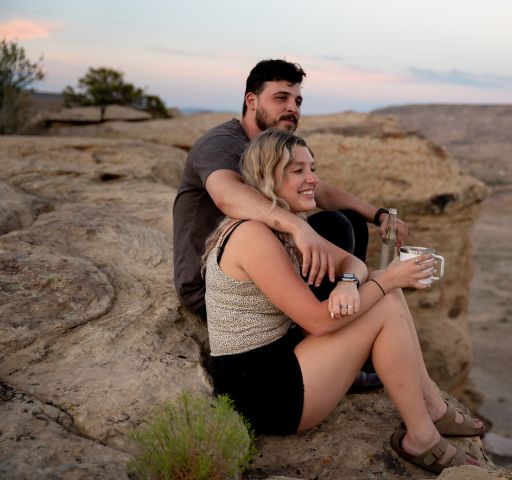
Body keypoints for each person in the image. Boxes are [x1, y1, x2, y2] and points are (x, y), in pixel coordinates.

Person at [203, 129, 489, 474]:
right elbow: (318, 322)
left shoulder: (290, 228)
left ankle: (430, 406)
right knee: (385, 295)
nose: (313, 179)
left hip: (280, 356)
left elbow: (352, 264)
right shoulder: (253, 235)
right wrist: (386, 279)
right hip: (261, 391)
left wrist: (350, 283)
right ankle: (422, 437)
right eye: (298, 171)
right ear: (266, 177)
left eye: (313, 168)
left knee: (386, 292)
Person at [172, 58, 408, 320]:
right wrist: (298, 227)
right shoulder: (222, 144)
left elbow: (319, 191)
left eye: (297, 101)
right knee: (333, 227)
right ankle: (328, 322)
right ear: (251, 101)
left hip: (258, 265)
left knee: (349, 221)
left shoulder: (271, 148)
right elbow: (227, 196)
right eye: (281, 98)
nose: (292, 108)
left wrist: (379, 215)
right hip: (214, 286)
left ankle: (344, 305)